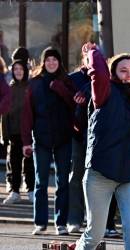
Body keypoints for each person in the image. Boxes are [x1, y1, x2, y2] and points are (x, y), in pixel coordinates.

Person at [75, 42, 130, 250]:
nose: (129, 75)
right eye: (123, 70)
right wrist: (92, 51)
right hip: (100, 174)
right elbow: (98, 71)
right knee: (95, 235)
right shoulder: (104, 93)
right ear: (113, 74)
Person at [21, 47, 76, 235]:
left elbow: (74, 105)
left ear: (59, 62)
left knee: (63, 182)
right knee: (41, 182)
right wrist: (26, 141)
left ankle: (61, 223)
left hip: (64, 138)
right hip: (41, 139)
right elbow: (27, 114)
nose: (51, 63)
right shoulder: (34, 84)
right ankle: (40, 222)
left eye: (55, 59)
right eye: (48, 60)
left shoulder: (67, 81)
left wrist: (61, 90)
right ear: (43, 63)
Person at [2, 59, 34, 204]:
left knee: (29, 163)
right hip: (14, 133)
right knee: (13, 163)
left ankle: (31, 190)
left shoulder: (31, 87)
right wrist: (5, 134)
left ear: (26, 70)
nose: (18, 72)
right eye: (15, 69)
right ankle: (14, 191)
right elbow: (5, 114)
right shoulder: (10, 88)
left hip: (29, 134)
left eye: (21, 69)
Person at [67, 46, 91, 234]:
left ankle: (95, 221)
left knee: (97, 181)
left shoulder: (104, 78)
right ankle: (74, 218)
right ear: (83, 59)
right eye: (88, 57)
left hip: (99, 137)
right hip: (77, 135)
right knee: (76, 176)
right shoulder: (73, 79)